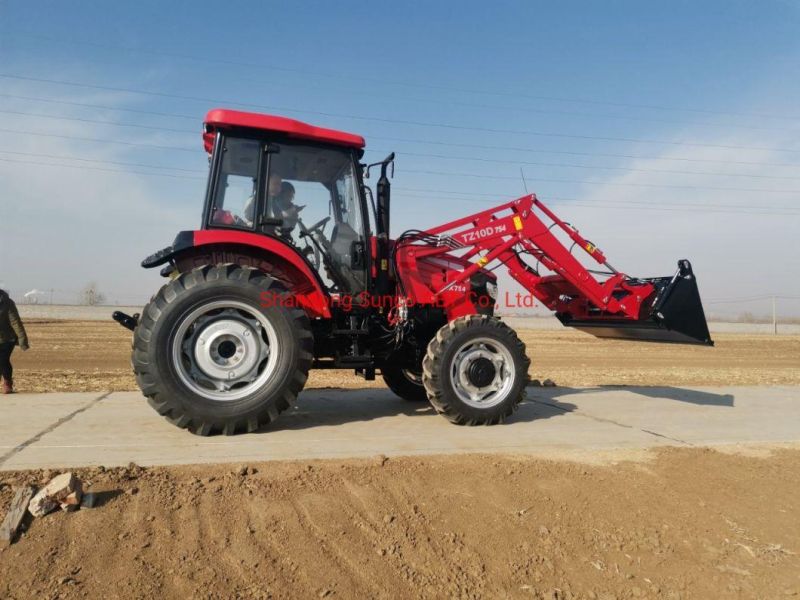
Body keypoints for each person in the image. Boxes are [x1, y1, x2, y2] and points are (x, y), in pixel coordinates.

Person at [0, 289, 29, 394]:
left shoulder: (7, 303)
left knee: (3, 360)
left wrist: (22, 339)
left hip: (7, 339)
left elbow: (15, 321)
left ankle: (7, 383)